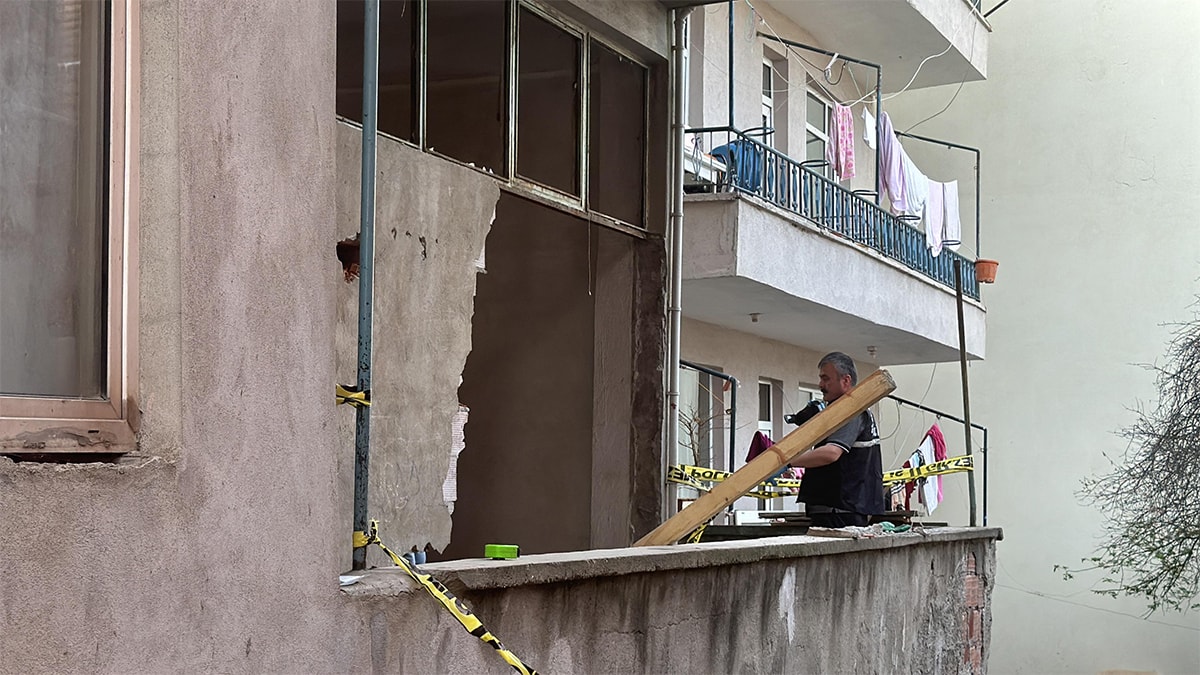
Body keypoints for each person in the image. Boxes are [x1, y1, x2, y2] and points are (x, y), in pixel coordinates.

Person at [788, 352, 885, 527]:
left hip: (839, 511)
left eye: (826, 379)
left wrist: (786, 462)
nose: (820, 385)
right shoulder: (845, 411)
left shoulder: (850, 412)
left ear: (846, 381)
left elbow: (831, 453)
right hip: (842, 509)